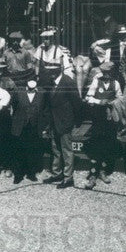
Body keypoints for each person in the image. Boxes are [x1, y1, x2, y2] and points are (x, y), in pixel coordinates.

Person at [40, 60, 82, 189]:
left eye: (53, 69)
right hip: (53, 122)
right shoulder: (50, 82)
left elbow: (77, 103)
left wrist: (76, 122)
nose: (50, 72)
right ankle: (57, 173)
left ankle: (68, 177)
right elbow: (48, 104)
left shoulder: (68, 81)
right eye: (49, 69)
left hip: (65, 122)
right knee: (56, 149)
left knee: (66, 150)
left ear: (60, 69)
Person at [83, 59, 122, 189]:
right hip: (98, 118)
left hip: (110, 119)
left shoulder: (115, 83)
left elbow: (120, 98)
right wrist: (100, 102)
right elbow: (88, 97)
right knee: (95, 145)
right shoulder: (96, 81)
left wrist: (112, 103)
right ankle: (93, 174)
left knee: (107, 144)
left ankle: (103, 171)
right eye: (104, 72)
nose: (106, 75)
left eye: (109, 72)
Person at [10, 78, 44, 182]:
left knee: (32, 150)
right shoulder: (18, 92)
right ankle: (18, 174)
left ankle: (31, 173)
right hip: (20, 126)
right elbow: (14, 106)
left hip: (34, 126)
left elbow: (43, 109)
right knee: (18, 150)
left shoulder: (41, 93)